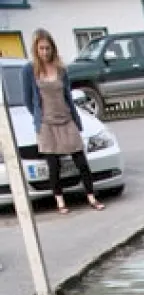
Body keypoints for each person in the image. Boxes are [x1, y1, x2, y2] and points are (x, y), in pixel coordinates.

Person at [22, 28, 104, 215]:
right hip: (47, 124)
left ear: (53, 48)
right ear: (36, 49)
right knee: (54, 165)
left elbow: (67, 95)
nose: (45, 52)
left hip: (66, 120)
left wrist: (75, 119)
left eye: (48, 48)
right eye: (41, 49)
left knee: (81, 161)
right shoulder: (29, 70)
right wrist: (39, 117)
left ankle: (91, 196)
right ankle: (60, 200)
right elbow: (28, 99)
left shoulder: (60, 69)